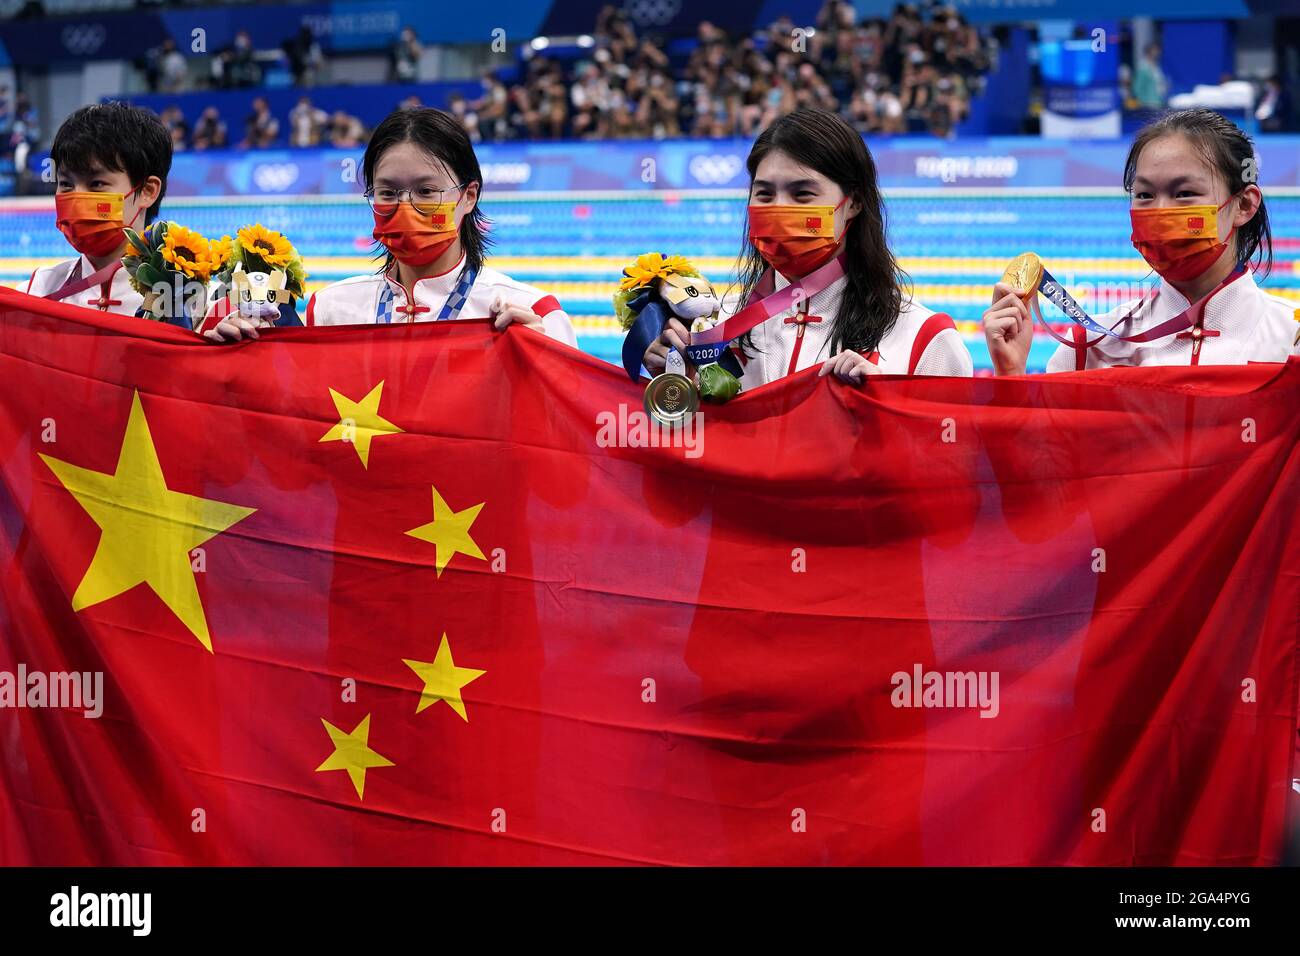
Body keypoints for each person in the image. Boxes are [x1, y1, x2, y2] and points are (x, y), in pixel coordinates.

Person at [644, 107, 972, 386]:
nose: (779, 210)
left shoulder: (924, 340)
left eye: (802, 195)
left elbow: (952, 459)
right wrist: (675, 388)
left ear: (854, 203)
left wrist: (886, 410)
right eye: (764, 195)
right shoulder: (713, 335)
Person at [205, 107, 576, 345]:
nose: (405, 207)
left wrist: (547, 362)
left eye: (426, 191)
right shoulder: (329, 312)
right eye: (388, 192)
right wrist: (235, 357)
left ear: (468, 196)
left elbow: (572, 442)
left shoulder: (532, 314)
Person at [983, 109, 1298, 374]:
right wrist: (1011, 376)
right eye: (1145, 195)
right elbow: (1043, 448)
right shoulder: (1087, 349)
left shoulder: (1290, 341)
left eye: (1184, 194)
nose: (1160, 211)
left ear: (1244, 205)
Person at [27, 102, 171, 315]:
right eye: (66, 184)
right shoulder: (37, 291)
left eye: (96, 184)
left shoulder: (192, 301)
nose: (76, 199)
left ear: (147, 191)